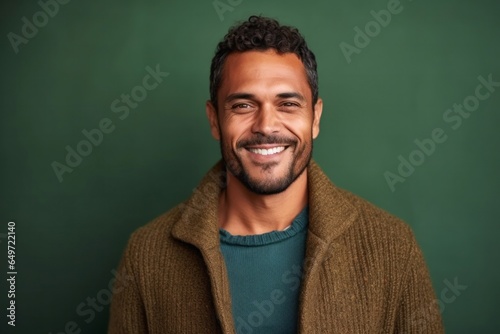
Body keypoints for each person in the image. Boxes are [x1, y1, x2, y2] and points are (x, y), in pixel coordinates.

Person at [108, 15, 444, 333]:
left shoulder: (392, 247)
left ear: (315, 117)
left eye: (288, 104)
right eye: (243, 105)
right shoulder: (147, 254)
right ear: (214, 120)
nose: (266, 125)